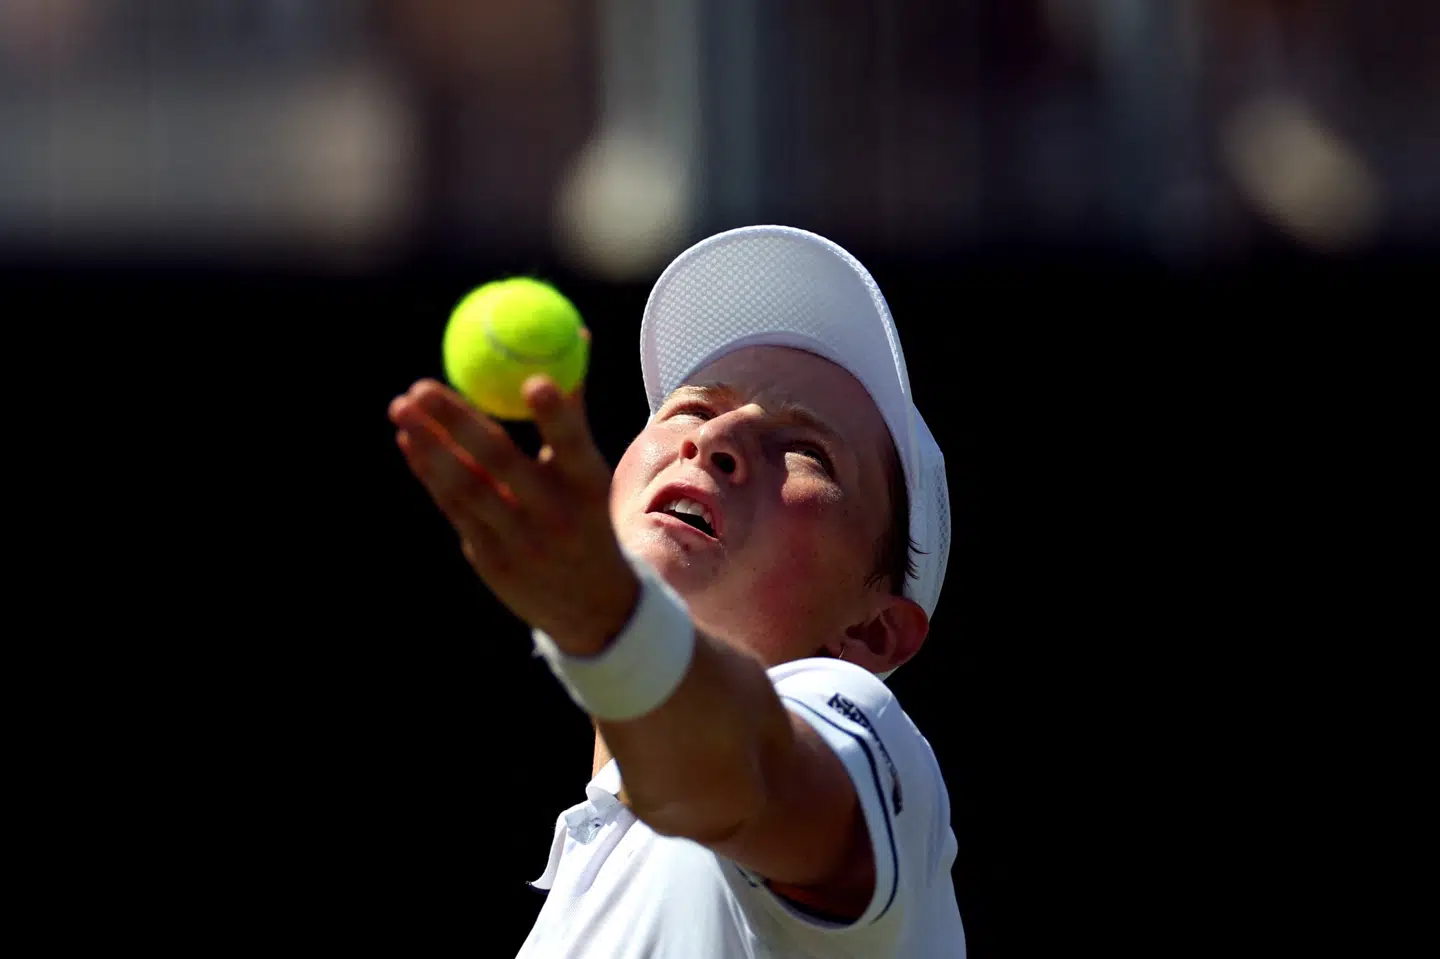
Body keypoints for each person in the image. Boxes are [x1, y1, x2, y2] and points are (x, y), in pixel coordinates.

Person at [388, 225, 964, 957]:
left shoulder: (876, 744)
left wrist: (613, 625)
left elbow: (743, 777)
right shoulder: (574, 900)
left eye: (807, 450)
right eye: (692, 408)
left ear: (872, 634)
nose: (715, 436)